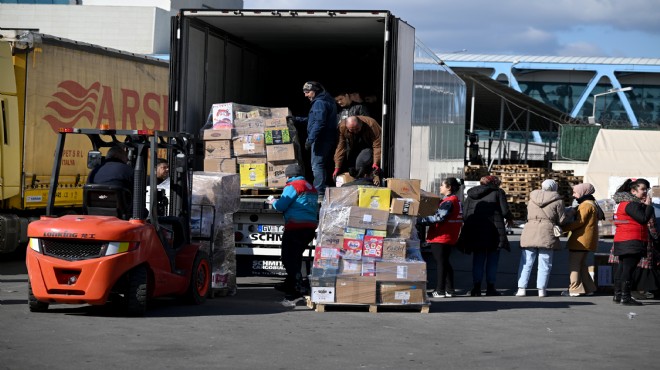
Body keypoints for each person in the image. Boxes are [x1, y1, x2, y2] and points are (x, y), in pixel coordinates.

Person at [268, 164, 319, 300]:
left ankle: (297, 286)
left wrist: (273, 201)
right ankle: (290, 283)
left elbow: (281, 206)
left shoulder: (293, 186)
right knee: (296, 255)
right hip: (310, 227)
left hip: (296, 226)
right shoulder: (311, 187)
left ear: (288, 176)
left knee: (288, 257)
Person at [460, 175, 513, 296]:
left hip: (476, 231)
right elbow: (505, 211)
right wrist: (510, 219)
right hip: (493, 231)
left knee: (478, 259)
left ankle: (476, 288)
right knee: (492, 260)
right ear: (494, 183)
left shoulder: (471, 194)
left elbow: (465, 213)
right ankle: (490, 288)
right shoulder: (498, 192)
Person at [516, 179, 566, 297]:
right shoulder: (558, 201)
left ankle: (521, 289)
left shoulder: (532, 199)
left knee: (526, 261)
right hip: (547, 231)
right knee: (545, 262)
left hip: (530, 230)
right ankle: (541, 290)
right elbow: (562, 220)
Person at [610, 178, 654, 305]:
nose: (645, 192)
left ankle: (618, 295)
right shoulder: (631, 204)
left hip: (622, 240)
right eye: (643, 189)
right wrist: (648, 206)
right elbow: (643, 219)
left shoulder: (622, 203)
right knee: (628, 270)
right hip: (631, 240)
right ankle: (626, 297)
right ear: (633, 191)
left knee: (623, 268)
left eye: (647, 189)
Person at [417, 177, 463, 298]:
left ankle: (440, 290)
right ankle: (450, 289)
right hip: (449, 235)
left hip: (441, 236)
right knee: (445, 262)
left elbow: (439, 218)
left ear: (449, 188)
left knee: (441, 263)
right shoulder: (456, 200)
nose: (440, 187)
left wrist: (420, 220)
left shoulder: (448, 202)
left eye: (442, 185)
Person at [292, 81, 337, 196]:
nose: (306, 95)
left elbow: (319, 123)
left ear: (315, 91)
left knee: (317, 165)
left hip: (321, 139)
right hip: (326, 138)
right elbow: (314, 119)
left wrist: (310, 139)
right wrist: (297, 119)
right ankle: (321, 188)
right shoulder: (327, 100)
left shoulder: (319, 103)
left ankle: (318, 192)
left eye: (307, 92)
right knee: (321, 164)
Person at [561, 183, 603, 297]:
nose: (574, 195)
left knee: (574, 265)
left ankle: (574, 289)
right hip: (587, 240)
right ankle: (589, 288)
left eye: (575, 192)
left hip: (581, 240)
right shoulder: (592, 203)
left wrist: (563, 228)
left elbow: (579, 222)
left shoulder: (585, 205)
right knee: (581, 265)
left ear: (583, 192)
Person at [333, 115, 381, 182]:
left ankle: (365, 181)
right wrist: (337, 167)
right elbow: (340, 147)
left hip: (368, 147)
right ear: (347, 127)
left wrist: (376, 163)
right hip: (354, 147)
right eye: (352, 130)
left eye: (357, 129)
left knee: (360, 163)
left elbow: (378, 146)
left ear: (360, 123)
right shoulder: (342, 127)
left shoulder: (371, 125)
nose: (355, 131)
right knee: (351, 169)